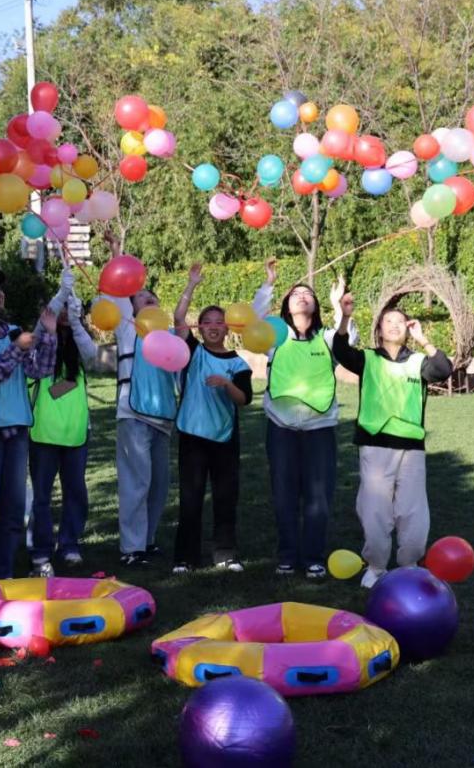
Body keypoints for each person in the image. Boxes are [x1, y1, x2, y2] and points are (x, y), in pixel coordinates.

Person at [333, 294, 452, 588]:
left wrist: (423, 339)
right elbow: (340, 350)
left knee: (414, 513)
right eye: (389, 321)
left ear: (408, 328)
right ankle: (376, 567)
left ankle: (409, 564)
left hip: (411, 449)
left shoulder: (418, 361)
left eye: (400, 321)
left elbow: (443, 369)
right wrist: (345, 317)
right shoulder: (367, 358)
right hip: (375, 446)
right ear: (379, 329)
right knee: (374, 511)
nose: (395, 325)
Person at [258, 262, 356, 579]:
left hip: (319, 429)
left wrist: (339, 308)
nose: (301, 296)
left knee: (318, 497)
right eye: (295, 294)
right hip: (281, 428)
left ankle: (313, 557)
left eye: (307, 294)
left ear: (315, 305)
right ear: (286, 306)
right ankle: (287, 556)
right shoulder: (276, 337)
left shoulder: (326, 338)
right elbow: (254, 321)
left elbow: (346, 341)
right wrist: (269, 284)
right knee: (284, 494)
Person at [169, 264, 254, 574]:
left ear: (227, 329)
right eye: (208, 322)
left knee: (225, 497)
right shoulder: (192, 351)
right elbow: (178, 318)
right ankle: (185, 558)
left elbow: (244, 399)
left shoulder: (238, 363)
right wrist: (191, 284)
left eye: (220, 322)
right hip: (192, 436)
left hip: (224, 439)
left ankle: (226, 554)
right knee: (190, 498)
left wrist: (227, 384)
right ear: (201, 328)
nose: (214, 327)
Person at [103, 235, 177, 566]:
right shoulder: (126, 328)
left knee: (159, 484)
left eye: (152, 298)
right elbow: (118, 291)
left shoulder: (168, 336)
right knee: (136, 481)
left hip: (163, 417)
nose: (147, 299)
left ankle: (147, 540)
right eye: (141, 297)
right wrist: (116, 252)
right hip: (132, 413)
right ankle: (131, 548)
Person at [0, 276, 58, 581]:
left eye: (1, 290)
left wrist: (49, 335)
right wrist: (16, 348)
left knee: (13, 509)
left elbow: (40, 370)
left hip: (18, 429)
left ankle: (2, 573)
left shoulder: (13, 330)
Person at [28, 265, 98, 576]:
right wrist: (62, 293)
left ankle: (69, 544)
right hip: (43, 431)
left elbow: (91, 355)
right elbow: (42, 327)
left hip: (76, 432)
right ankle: (40, 551)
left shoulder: (79, 343)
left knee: (75, 492)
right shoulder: (42, 337)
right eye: (63, 308)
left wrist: (78, 320)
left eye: (72, 307)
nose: (67, 312)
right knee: (42, 496)